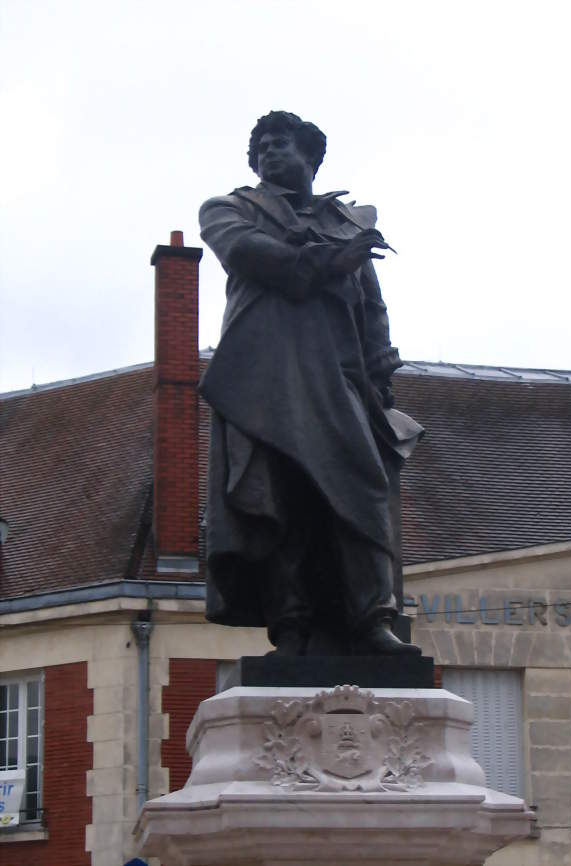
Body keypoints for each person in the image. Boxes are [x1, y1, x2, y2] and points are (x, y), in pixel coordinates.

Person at [198, 111, 422, 656]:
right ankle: (291, 626)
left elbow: (372, 304)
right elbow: (252, 255)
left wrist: (380, 369)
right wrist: (328, 260)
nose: (269, 154)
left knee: (363, 488)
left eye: (282, 144)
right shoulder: (231, 209)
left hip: (337, 375)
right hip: (264, 377)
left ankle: (371, 617)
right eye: (262, 148)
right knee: (282, 499)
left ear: (311, 156)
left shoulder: (347, 221)